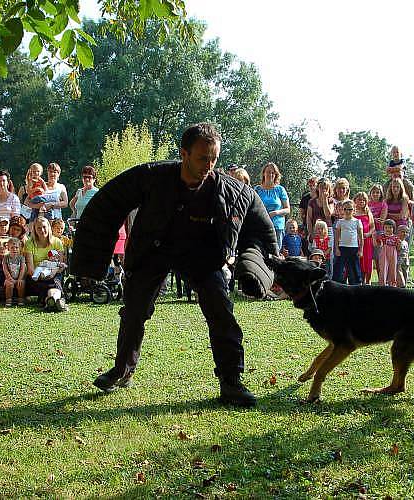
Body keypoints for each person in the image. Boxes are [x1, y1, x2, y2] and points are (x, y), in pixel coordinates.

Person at [72, 123, 278, 407]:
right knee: (134, 312)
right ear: (184, 154)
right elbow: (107, 205)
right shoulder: (151, 176)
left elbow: (260, 230)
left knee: (221, 312)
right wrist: (90, 261)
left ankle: (231, 383)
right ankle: (122, 370)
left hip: (203, 257)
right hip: (153, 251)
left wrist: (255, 268)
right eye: (202, 158)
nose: (209, 165)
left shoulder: (232, 191)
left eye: (214, 159)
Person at [24, 216, 66, 311]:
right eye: (39, 228)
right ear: (34, 229)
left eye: (44, 227)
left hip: (54, 273)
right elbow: (30, 269)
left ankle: (51, 300)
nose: (42, 230)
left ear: (48, 227)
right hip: (36, 276)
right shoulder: (30, 243)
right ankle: (54, 301)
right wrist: (42, 276)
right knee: (49, 285)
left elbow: (61, 265)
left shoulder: (57, 242)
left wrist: (52, 273)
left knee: (54, 282)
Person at [255, 162, 290, 250]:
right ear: (263, 173)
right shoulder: (257, 189)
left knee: (275, 253)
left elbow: (287, 209)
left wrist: (276, 212)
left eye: (273, 173)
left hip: (277, 226)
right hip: (261, 225)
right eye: (268, 172)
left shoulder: (280, 189)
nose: (270, 174)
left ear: (276, 175)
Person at [333, 200, 363, 285]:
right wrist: (337, 249)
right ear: (342, 210)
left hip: (353, 248)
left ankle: (356, 283)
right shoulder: (340, 222)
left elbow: (361, 237)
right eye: (345, 209)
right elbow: (337, 236)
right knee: (339, 267)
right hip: (342, 247)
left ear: (354, 210)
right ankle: (337, 283)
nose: (348, 211)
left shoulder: (357, 222)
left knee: (354, 267)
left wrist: (361, 250)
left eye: (350, 209)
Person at [353, 192, 375, 285]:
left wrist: (368, 234)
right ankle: (359, 280)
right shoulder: (352, 212)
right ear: (355, 201)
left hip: (367, 241)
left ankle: (368, 281)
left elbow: (373, 226)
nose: (361, 201)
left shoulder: (368, 212)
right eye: (359, 199)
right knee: (359, 261)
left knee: (368, 261)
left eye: (363, 200)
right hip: (355, 241)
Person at [3, 237, 27, 307]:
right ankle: (8, 299)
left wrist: (19, 279)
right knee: (9, 284)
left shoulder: (21, 258)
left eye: (16, 247)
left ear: (19, 248)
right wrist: (10, 279)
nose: (14, 249)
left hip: (19, 277)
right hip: (9, 278)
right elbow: (5, 269)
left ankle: (21, 299)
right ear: (8, 248)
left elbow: (22, 269)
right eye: (12, 247)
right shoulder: (6, 258)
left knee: (21, 283)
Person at [376, 219, 399, 287]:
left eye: (390, 227)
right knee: (383, 268)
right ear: (383, 228)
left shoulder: (396, 237)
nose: (388, 229)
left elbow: (398, 248)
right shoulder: (382, 236)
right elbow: (378, 244)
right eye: (386, 227)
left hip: (393, 253)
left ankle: (392, 284)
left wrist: (399, 244)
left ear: (393, 228)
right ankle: (382, 284)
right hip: (384, 253)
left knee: (393, 268)